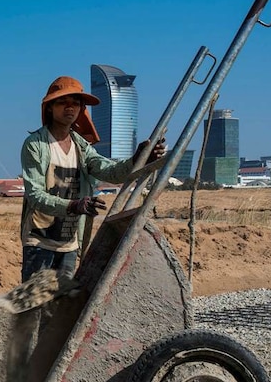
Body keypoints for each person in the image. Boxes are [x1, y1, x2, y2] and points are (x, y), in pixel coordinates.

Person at [19, 76, 165, 282]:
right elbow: (35, 195)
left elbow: (110, 172)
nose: (70, 108)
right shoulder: (36, 145)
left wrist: (139, 159)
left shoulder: (81, 147)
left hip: (70, 242)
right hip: (40, 240)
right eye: (63, 102)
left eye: (76, 103)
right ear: (50, 107)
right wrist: (74, 205)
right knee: (33, 306)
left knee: (61, 307)